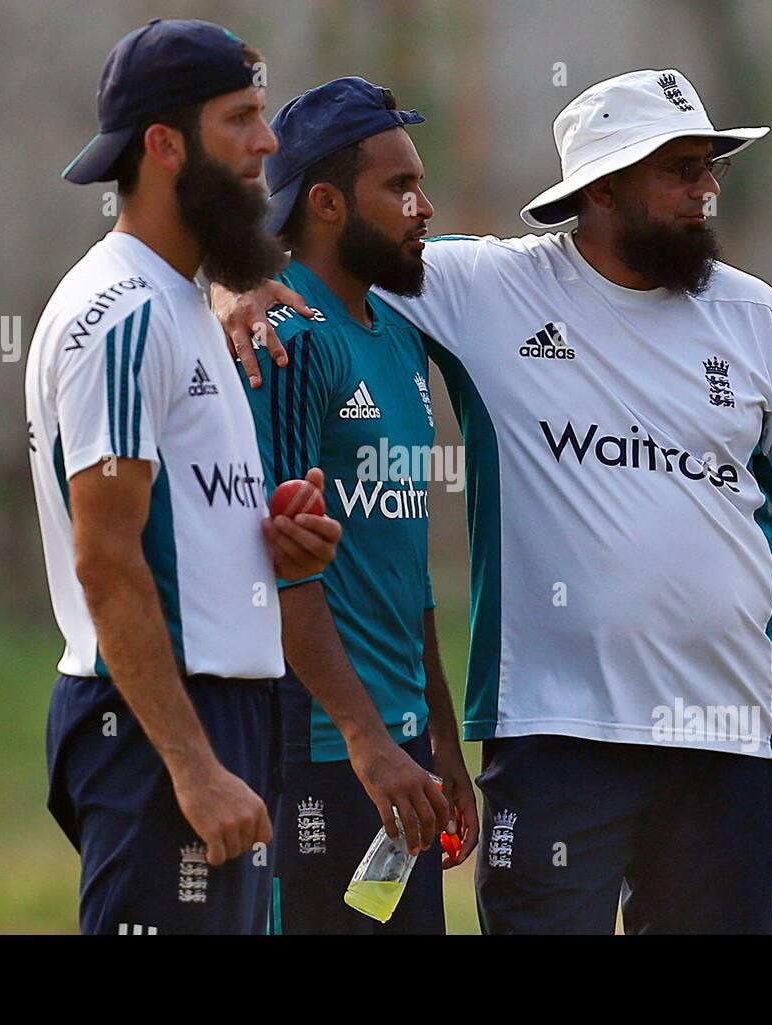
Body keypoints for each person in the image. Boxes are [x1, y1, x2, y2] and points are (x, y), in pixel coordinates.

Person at [225, 69, 772, 934]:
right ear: (603, 189)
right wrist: (238, 285)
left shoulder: (756, 316)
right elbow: (325, 265)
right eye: (680, 169)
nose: (706, 189)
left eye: (711, 167)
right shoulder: (480, 289)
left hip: (728, 730)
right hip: (553, 733)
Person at [26, 18, 341, 935]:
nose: (269, 142)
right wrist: (194, 767)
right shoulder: (121, 313)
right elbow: (106, 558)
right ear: (164, 144)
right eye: (241, 118)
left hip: (225, 709)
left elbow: (170, 530)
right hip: (156, 726)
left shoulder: (188, 303)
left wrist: (268, 541)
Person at [235, 77, 477, 935]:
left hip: (400, 747)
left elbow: (404, 572)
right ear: (329, 203)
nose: (425, 206)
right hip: (323, 749)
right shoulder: (284, 339)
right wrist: (367, 742)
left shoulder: (401, 333)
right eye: (401, 187)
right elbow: (279, 565)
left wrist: (439, 739)